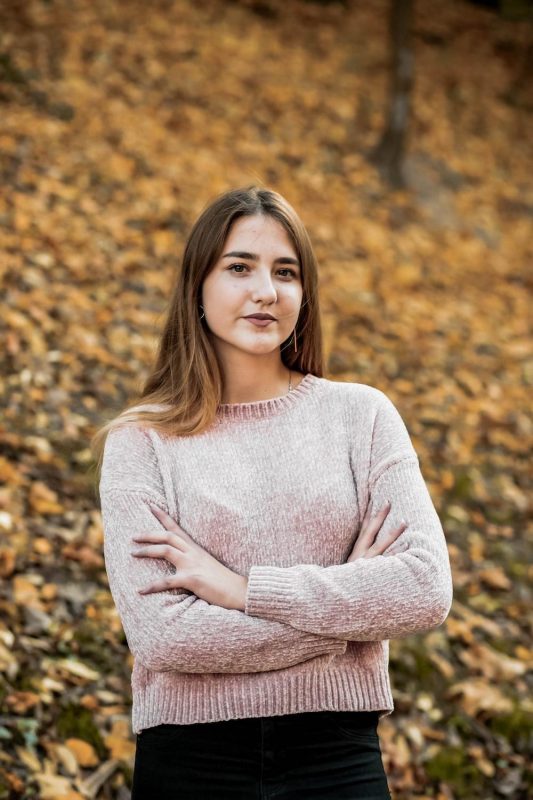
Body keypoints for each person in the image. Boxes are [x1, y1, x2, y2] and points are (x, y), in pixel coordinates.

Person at [92, 185, 453, 799]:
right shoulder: (141, 441)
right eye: (239, 267)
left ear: (303, 295)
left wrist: (244, 590)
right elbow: (165, 637)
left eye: (286, 272)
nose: (266, 290)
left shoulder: (360, 417)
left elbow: (424, 589)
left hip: (337, 757)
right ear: (196, 287)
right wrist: (347, 617)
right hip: (192, 761)